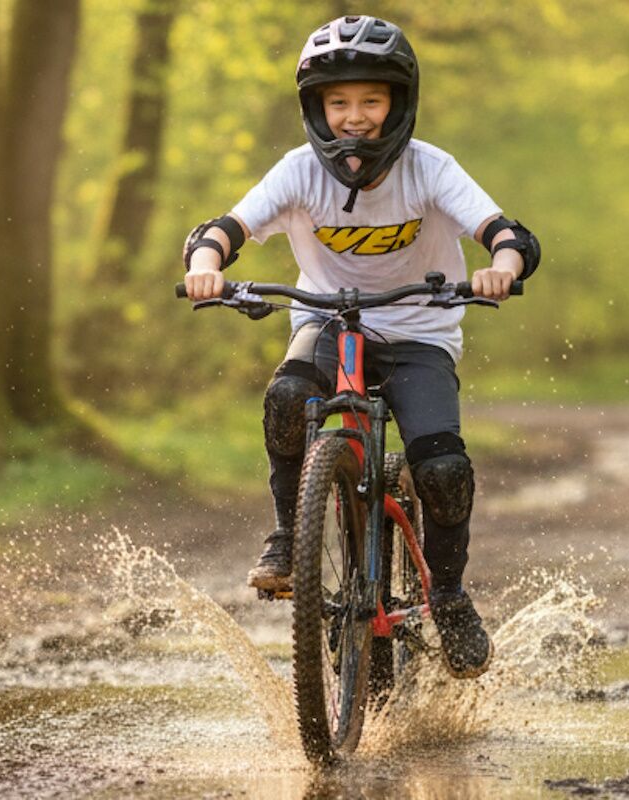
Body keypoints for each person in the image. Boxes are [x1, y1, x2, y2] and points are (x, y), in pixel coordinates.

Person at [182, 16, 540, 679]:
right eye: (338, 101)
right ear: (315, 107)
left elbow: (504, 232)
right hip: (327, 322)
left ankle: (448, 594)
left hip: (418, 332)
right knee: (288, 396)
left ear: (397, 103)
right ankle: (290, 536)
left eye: (370, 100)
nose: (354, 117)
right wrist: (206, 264)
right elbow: (227, 227)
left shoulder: (430, 168)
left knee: (442, 468)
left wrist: (502, 266)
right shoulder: (298, 172)